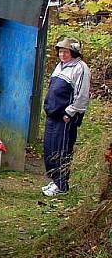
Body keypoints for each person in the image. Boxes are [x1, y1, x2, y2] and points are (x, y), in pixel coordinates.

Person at [42, 37, 91, 197]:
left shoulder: (81, 68)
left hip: (65, 118)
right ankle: (55, 180)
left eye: (66, 51)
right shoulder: (60, 66)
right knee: (50, 149)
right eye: (60, 51)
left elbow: (82, 95)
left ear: (74, 52)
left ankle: (61, 185)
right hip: (53, 115)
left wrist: (70, 112)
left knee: (62, 150)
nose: (62, 54)